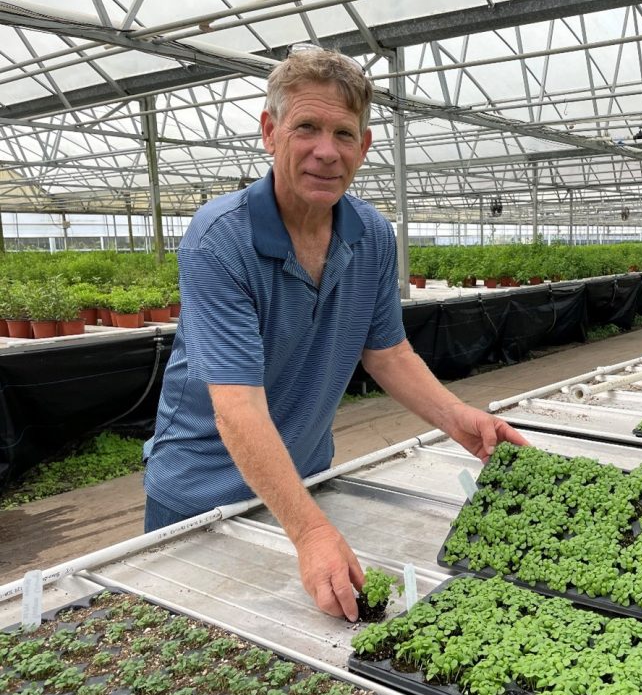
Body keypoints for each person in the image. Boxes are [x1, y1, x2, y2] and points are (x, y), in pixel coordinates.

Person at [142, 48, 527, 622]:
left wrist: (459, 420)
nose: (327, 151)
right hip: (200, 494)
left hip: (305, 478)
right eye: (306, 127)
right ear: (270, 133)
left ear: (364, 147)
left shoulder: (371, 235)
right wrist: (311, 533)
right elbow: (237, 405)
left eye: (344, 133)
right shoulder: (220, 238)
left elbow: (389, 352)